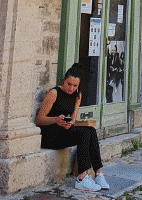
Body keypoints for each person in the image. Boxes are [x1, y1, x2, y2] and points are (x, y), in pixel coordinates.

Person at [35, 64, 109, 192]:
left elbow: (73, 120)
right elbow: (39, 119)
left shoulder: (77, 95)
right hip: (50, 135)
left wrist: (69, 123)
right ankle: (81, 178)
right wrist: (56, 120)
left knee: (90, 130)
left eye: (75, 86)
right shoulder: (54, 93)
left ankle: (98, 173)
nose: (71, 88)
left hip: (64, 132)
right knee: (83, 134)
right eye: (69, 84)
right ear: (64, 80)